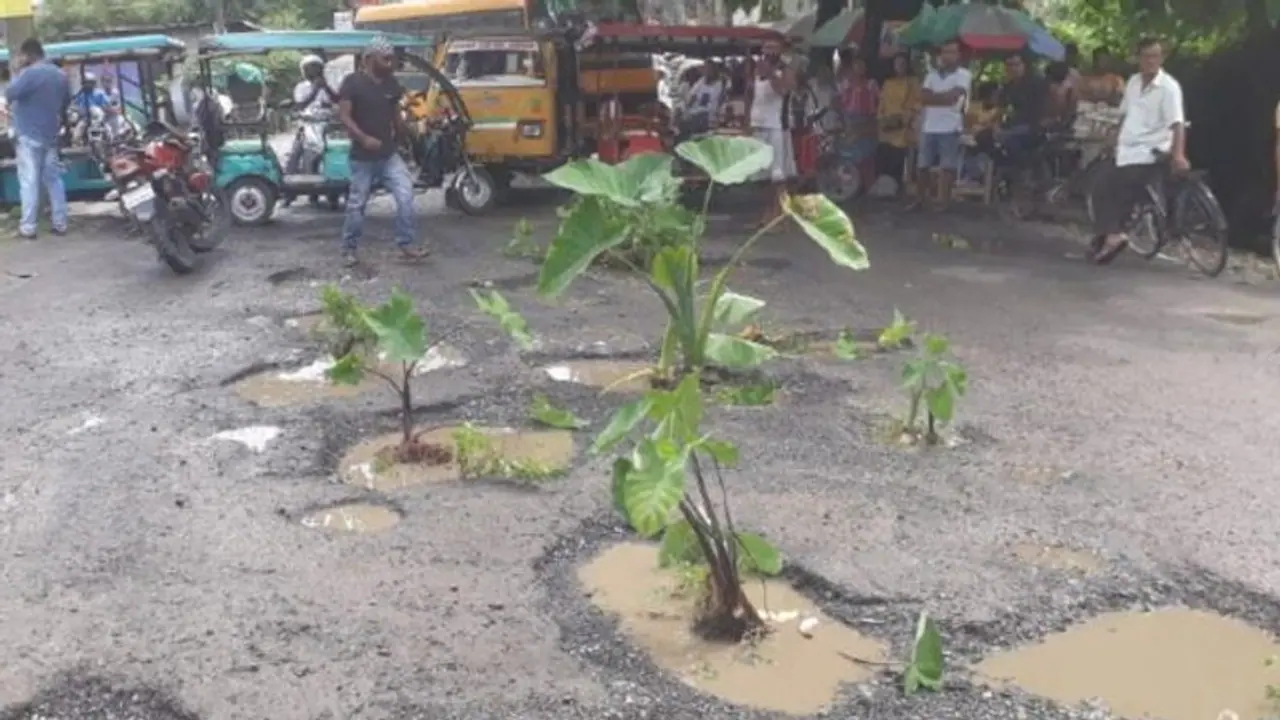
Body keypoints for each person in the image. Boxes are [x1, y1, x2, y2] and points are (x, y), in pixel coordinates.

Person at [1089, 37, 1187, 264]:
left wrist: (1178, 154)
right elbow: (1124, 116)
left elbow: (1178, 123)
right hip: (1127, 148)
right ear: (1139, 59)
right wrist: (1111, 140)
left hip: (1150, 151)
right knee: (1099, 179)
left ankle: (1113, 235)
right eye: (1147, 56)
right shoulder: (1133, 82)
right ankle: (1106, 234)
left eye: (1156, 56)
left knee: (1111, 183)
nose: (1151, 61)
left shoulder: (1169, 88)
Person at [337, 36, 428, 266]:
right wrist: (363, 138)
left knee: (406, 196)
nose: (390, 62)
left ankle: (406, 244)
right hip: (362, 157)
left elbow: (396, 117)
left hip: (388, 155)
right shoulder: (352, 83)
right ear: (369, 59)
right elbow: (344, 117)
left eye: (391, 59)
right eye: (385, 58)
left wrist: (410, 133)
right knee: (357, 204)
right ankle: (349, 248)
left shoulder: (391, 84)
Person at [5, 38, 70, 240]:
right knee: (54, 180)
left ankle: (28, 227)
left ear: (28, 55)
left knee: (29, 182)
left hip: (28, 135)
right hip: (50, 135)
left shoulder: (29, 73)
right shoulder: (60, 75)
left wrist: (16, 72)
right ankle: (60, 224)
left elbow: (9, 93)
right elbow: (66, 102)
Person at [913, 40, 971, 211]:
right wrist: (941, 99)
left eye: (952, 52)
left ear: (958, 55)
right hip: (929, 125)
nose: (947, 56)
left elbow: (953, 98)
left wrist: (934, 98)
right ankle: (920, 200)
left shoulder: (963, 74)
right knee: (923, 165)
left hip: (950, 126)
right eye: (945, 52)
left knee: (947, 166)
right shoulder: (931, 75)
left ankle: (943, 202)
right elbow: (923, 97)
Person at [746, 38, 796, 226]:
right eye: (766, 47)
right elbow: (751, 95)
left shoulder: (786, 69)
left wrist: (772, 74)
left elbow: (784, 90)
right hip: (758, 124)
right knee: (763, 175)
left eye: (773, 47)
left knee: (778, 175)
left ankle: (781, 215)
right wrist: (747, 122)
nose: (769, 50)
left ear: (780, 50)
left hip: (776, 126)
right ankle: (768, 213)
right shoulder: (757, 69)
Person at [287, 54, 337, 205]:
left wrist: (326, 88)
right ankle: (291, 194)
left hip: (325, 125)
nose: (313, 71)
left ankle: (332, 192)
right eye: (309, 69)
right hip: (307, 125)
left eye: (316, 68)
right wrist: (315, 90)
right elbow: (301, 105)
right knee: (295, 157)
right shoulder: (301, 87)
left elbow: (335, 101)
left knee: (330, 156)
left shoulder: (327, 85)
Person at [875, 53, 920, 194]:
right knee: (884, 156)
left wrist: (905, 118)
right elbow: (882, 102)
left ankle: (898, 188)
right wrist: (881, 118)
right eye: (897, 63)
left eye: (902, 63)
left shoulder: (913, 82)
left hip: (903, 125)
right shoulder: (888, 83)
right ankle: (885, 188)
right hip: (887, 125)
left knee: (899, 158)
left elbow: (917, 102)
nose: (899, 66)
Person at [995, 52, 1048, 164]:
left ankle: (1027, 169)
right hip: (1012, 125)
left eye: (1016, 64)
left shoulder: (1037, 82)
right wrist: (997, 125)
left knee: (1010, 141)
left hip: (1033, 127)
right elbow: (1001, 108)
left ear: (1024, 65)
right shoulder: (1007, 87)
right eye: (1009, 65)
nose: (1013, 68)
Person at [837, 56, 879, 193]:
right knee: (852, 154)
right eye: (856, 65)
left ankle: (869, 186)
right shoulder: (846, 84)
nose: (859, 68)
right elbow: (841, 102)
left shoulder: (871, 83)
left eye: (861, 65)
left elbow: (879, 101)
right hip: (851, 119)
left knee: (868, 154)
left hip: (868, 119)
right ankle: (855, 186)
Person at [680, 61, 727, 136]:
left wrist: (718, 114)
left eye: (709, 69)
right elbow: (693, 96)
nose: (707, 71)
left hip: (709, 112)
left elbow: (721, 100)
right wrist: (687, 109)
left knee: (699, 116)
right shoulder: (701, 81)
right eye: (706, 69)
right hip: (695, 111)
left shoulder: (720, 83)